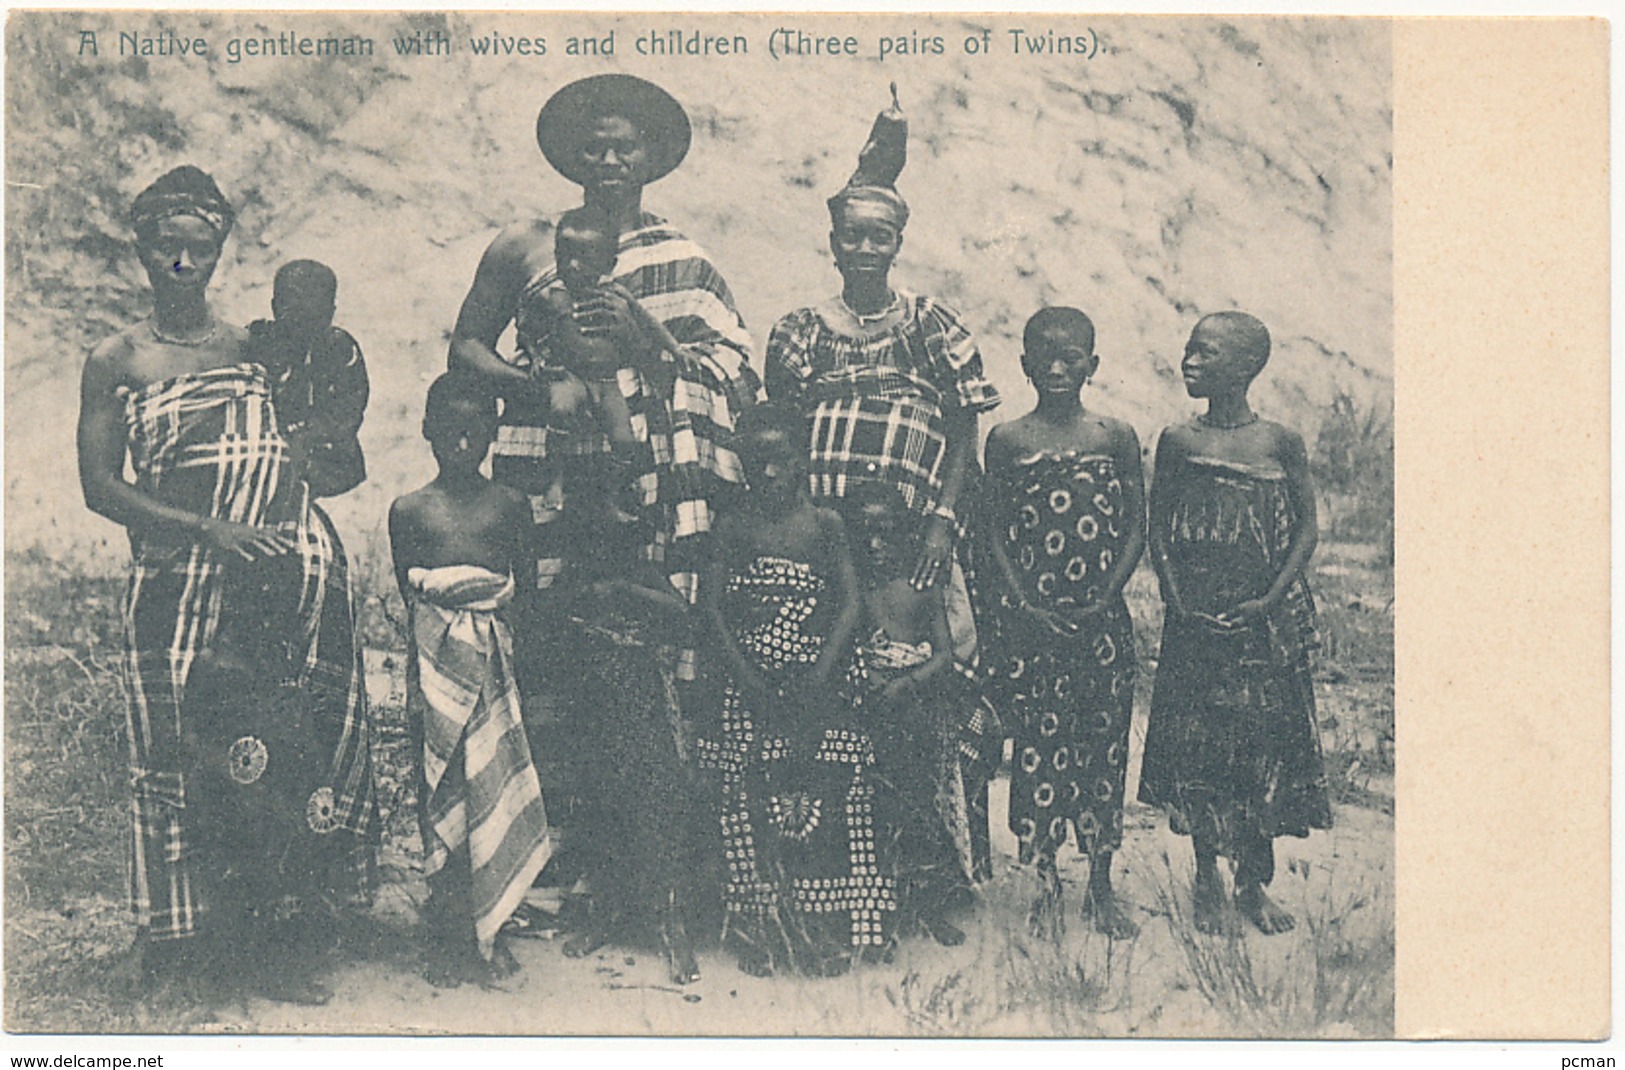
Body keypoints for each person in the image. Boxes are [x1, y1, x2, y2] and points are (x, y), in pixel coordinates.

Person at [448, 74, 761, 878]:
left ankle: (654, 856)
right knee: (549, 630)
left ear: (652, 157)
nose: (611, 159)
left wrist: (647, 346)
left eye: (626, 147)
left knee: (645, 640)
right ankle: (550, 848)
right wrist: (535, 387)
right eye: (595, 148)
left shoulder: (683, 256)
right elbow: (466, 350)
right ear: (571, 159)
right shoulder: (523, 247)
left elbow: (728, 366)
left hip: (653, 484)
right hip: (546, 467)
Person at [76, 165, 375, 999]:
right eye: (166, 246)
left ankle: (275, 941)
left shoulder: (257, 346)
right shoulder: (118, 358)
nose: (183, 262)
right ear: (139, 248)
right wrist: (207, 527)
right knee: (174, 754)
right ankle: (180, 945)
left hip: (280, 581)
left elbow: (332, 434)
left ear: (218, 254)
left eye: (198, 249)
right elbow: (101, 487)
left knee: (281, 753)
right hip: (178, 583)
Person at [764, 86, 999, 604]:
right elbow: (784, 440)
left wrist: (942, 521)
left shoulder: (930, 324)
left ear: (898, 243)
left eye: (880, 236)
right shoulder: (800, 331)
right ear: (833, 243)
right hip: (825, 534)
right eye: (852, 236)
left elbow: (964, 431)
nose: (866, 249)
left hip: (913, 536)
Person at [1138, 311, 1332, 936]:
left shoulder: (1278, 442)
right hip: (1194, 623)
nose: (1189, 362)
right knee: (1199, 749)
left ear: (1246, 368)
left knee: (1261, 753)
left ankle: (1252, 885)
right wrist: (1174, 594)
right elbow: (1158, 526)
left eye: (1206, 353)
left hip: (1261, 626)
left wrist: (1270, 600)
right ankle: (1204, 877)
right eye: (1189, 350)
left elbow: (1307, 528)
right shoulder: (1177, 440)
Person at [698, 403, 890, 978]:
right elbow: (712, 610)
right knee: (751, 797)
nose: (771, 473)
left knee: (825, 796)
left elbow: (850, 602)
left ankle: (820, 926)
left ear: (803, 461)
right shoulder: (734, 526)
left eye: (782, 460)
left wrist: (820, 673)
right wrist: (750, 679)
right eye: (759, 462)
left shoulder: (826, 525)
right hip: (750, 685)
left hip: (818, 681)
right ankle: (762, 927)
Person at [978, 307, 1145, 940]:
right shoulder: (1008, 440)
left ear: (1092, 364)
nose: (1057, 366)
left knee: (1102, 747)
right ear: (1022, 364)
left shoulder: (1114, 436)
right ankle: (1045, 880)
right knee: (1039, 749)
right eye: (1043, 355)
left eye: (1071, 356)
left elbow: (1135, 527)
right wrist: (1024, 603)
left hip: (1101, 622)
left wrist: (1106, 595)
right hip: (1033, 624)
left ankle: (1100, 881)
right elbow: (994, 533)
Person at [388, 373, 555, 986]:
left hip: (495, 677)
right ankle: (448, 930)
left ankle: (492, 923)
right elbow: (415, 599)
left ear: (492, 433)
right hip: (436, 676)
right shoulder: (409, 510)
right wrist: (428, 682)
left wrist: (518, 676)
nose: (462, 436)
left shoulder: (510, 506)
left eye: (476, 425)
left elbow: (526, 596)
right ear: (428, 429)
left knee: (490, 788)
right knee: (442, 790)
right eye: (449, 424)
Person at [554, 468, 703, 985]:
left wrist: (623, 590)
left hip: (645, 715)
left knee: (656, 811)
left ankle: (671, 919)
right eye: (598, 534)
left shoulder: (641, 576)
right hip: (593, 716)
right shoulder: (575, 577)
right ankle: (609, 913)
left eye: (620, 534)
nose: (609, 544)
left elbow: (683, 617)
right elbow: (551, 620)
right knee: (602, 811)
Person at [844, 481, 972, 948]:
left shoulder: (920, 587)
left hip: (916, 711)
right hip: (866, 708)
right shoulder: (852, 587)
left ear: (904, 535)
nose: (875, 546)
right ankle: (883, 905)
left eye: (886, 533)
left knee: (920, 807)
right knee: (871, 808)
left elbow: (943, 656)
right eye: (865, 535)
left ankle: (929, 907)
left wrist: (906, 683)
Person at [246, 259, 369, 499]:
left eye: (315, 313)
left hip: (323, 456)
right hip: (265, 451)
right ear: (274, 307)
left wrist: (304, 438)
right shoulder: (257, 340)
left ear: (331, 312)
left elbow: (348, 410)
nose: (302, 322)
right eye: (293, 309)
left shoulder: (339, 348)